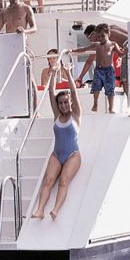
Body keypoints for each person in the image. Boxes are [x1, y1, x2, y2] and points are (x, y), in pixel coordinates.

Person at [31, 63, 81, 220]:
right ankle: (40, 210)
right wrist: (53, 73)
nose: (63, 105)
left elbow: (73, 92)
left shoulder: (76, 115)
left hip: (73, 155)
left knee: (63, 181)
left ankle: (56, 210)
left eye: (66, 102)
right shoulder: (57, 115)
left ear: (70, 103)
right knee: (48, 181)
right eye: (61, 103)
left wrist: (67, 73)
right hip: (57, 154)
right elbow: (51, 92)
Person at [71, 24, 124, 113]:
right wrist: (72, 51)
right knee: (96, 87)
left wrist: (126, 50)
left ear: (108, 34)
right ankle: (95, 103)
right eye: (99, 36)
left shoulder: (113, 44)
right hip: (99, 70)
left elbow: (120, 54)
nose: (100, 38)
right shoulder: (97, 45)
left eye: (102, 36)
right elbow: (84, 49)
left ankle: (111, 108)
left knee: (110, 89)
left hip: (109, 70)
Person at [80, 24, 129, 96]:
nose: (91, 41)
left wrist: (80, 77)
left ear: (94, 33)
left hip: (128, 48)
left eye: (90, 39)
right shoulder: (111, 28)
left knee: (124, 79)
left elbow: (89, 61)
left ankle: (129, 100)